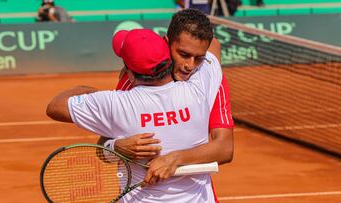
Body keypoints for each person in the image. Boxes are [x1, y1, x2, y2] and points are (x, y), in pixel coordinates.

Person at [47, 28, 222, 202]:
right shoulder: (199, 88)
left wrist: (92, 95)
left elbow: (55, 106)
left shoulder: (113, 105)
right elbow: (213, 44)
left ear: (129, 73)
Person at [107, 8, 234, 181]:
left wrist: (176, 158)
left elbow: (225, 148)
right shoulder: (133, 81)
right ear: (166, 43)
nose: (190, 65)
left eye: (199, 58)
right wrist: (116, 147)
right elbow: (104, 148)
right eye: (183, 54)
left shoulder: (209, 80)